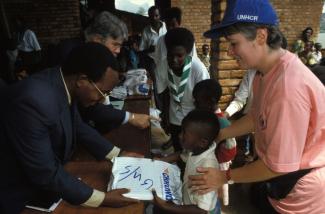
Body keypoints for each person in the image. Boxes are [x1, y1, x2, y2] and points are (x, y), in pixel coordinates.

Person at [188, 0, 325, 213]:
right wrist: (221, 133)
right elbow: (256, 116)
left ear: (261, 36)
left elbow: (276, 165)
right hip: (283, 175)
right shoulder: (264, 73)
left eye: (234, 44)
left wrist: (223, 177)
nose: (230, 52)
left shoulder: (288, 88)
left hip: (301, 186)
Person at [0, 43, 140, 214]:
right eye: (103, 92)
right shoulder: (33, 100)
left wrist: (118, 155)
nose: (104, 99)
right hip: (17, 194)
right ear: (82, 80)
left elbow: (78, 126)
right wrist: (103, 198)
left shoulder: (62, 82)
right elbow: (45, 173)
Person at [84, 11, 155, 131]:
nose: (118, 51)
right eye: (115, 45)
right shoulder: (80, 57)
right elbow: (89, 106)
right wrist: (130, 117)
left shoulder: (95, 56)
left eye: (120, 46)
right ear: (97, 40)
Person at [153, 109, 221, 214]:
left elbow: (201, 210)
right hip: (187, 201)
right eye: (181, 131)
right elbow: (181, 156)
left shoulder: (207, 168)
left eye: (184, 133)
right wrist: (162, 160)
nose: (180, 136)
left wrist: (166, 206)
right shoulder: (196, 149)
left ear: (202, 142)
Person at [161, 27, 210, 152]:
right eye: (170, 55)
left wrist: (197, 127)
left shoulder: (198, 69)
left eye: (179, 55)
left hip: (193, 121)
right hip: (174, 119)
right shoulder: (163, 65)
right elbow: (165, 92)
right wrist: (165, 116)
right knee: (178, 151)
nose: (174, 60)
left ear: (188, 53)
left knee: (191, 155)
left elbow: (205, 103)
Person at [192, 79, 237, 206]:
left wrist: (218, 156)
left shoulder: (220, 123)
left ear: (210, 101)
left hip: (218, 165)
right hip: (215, 162)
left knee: (212, 193)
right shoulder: (213, 119)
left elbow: (231, 148)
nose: (195, 103)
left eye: (197, 100)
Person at [153, 7, 198, 110]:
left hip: (184, 80)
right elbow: (158, 61)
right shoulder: (161, 41)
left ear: (179, 23)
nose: (170, 28)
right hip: (167, 82)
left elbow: (192, 60)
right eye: (168, 25)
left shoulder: (186, 40)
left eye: (173, 24)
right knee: (168, 106)